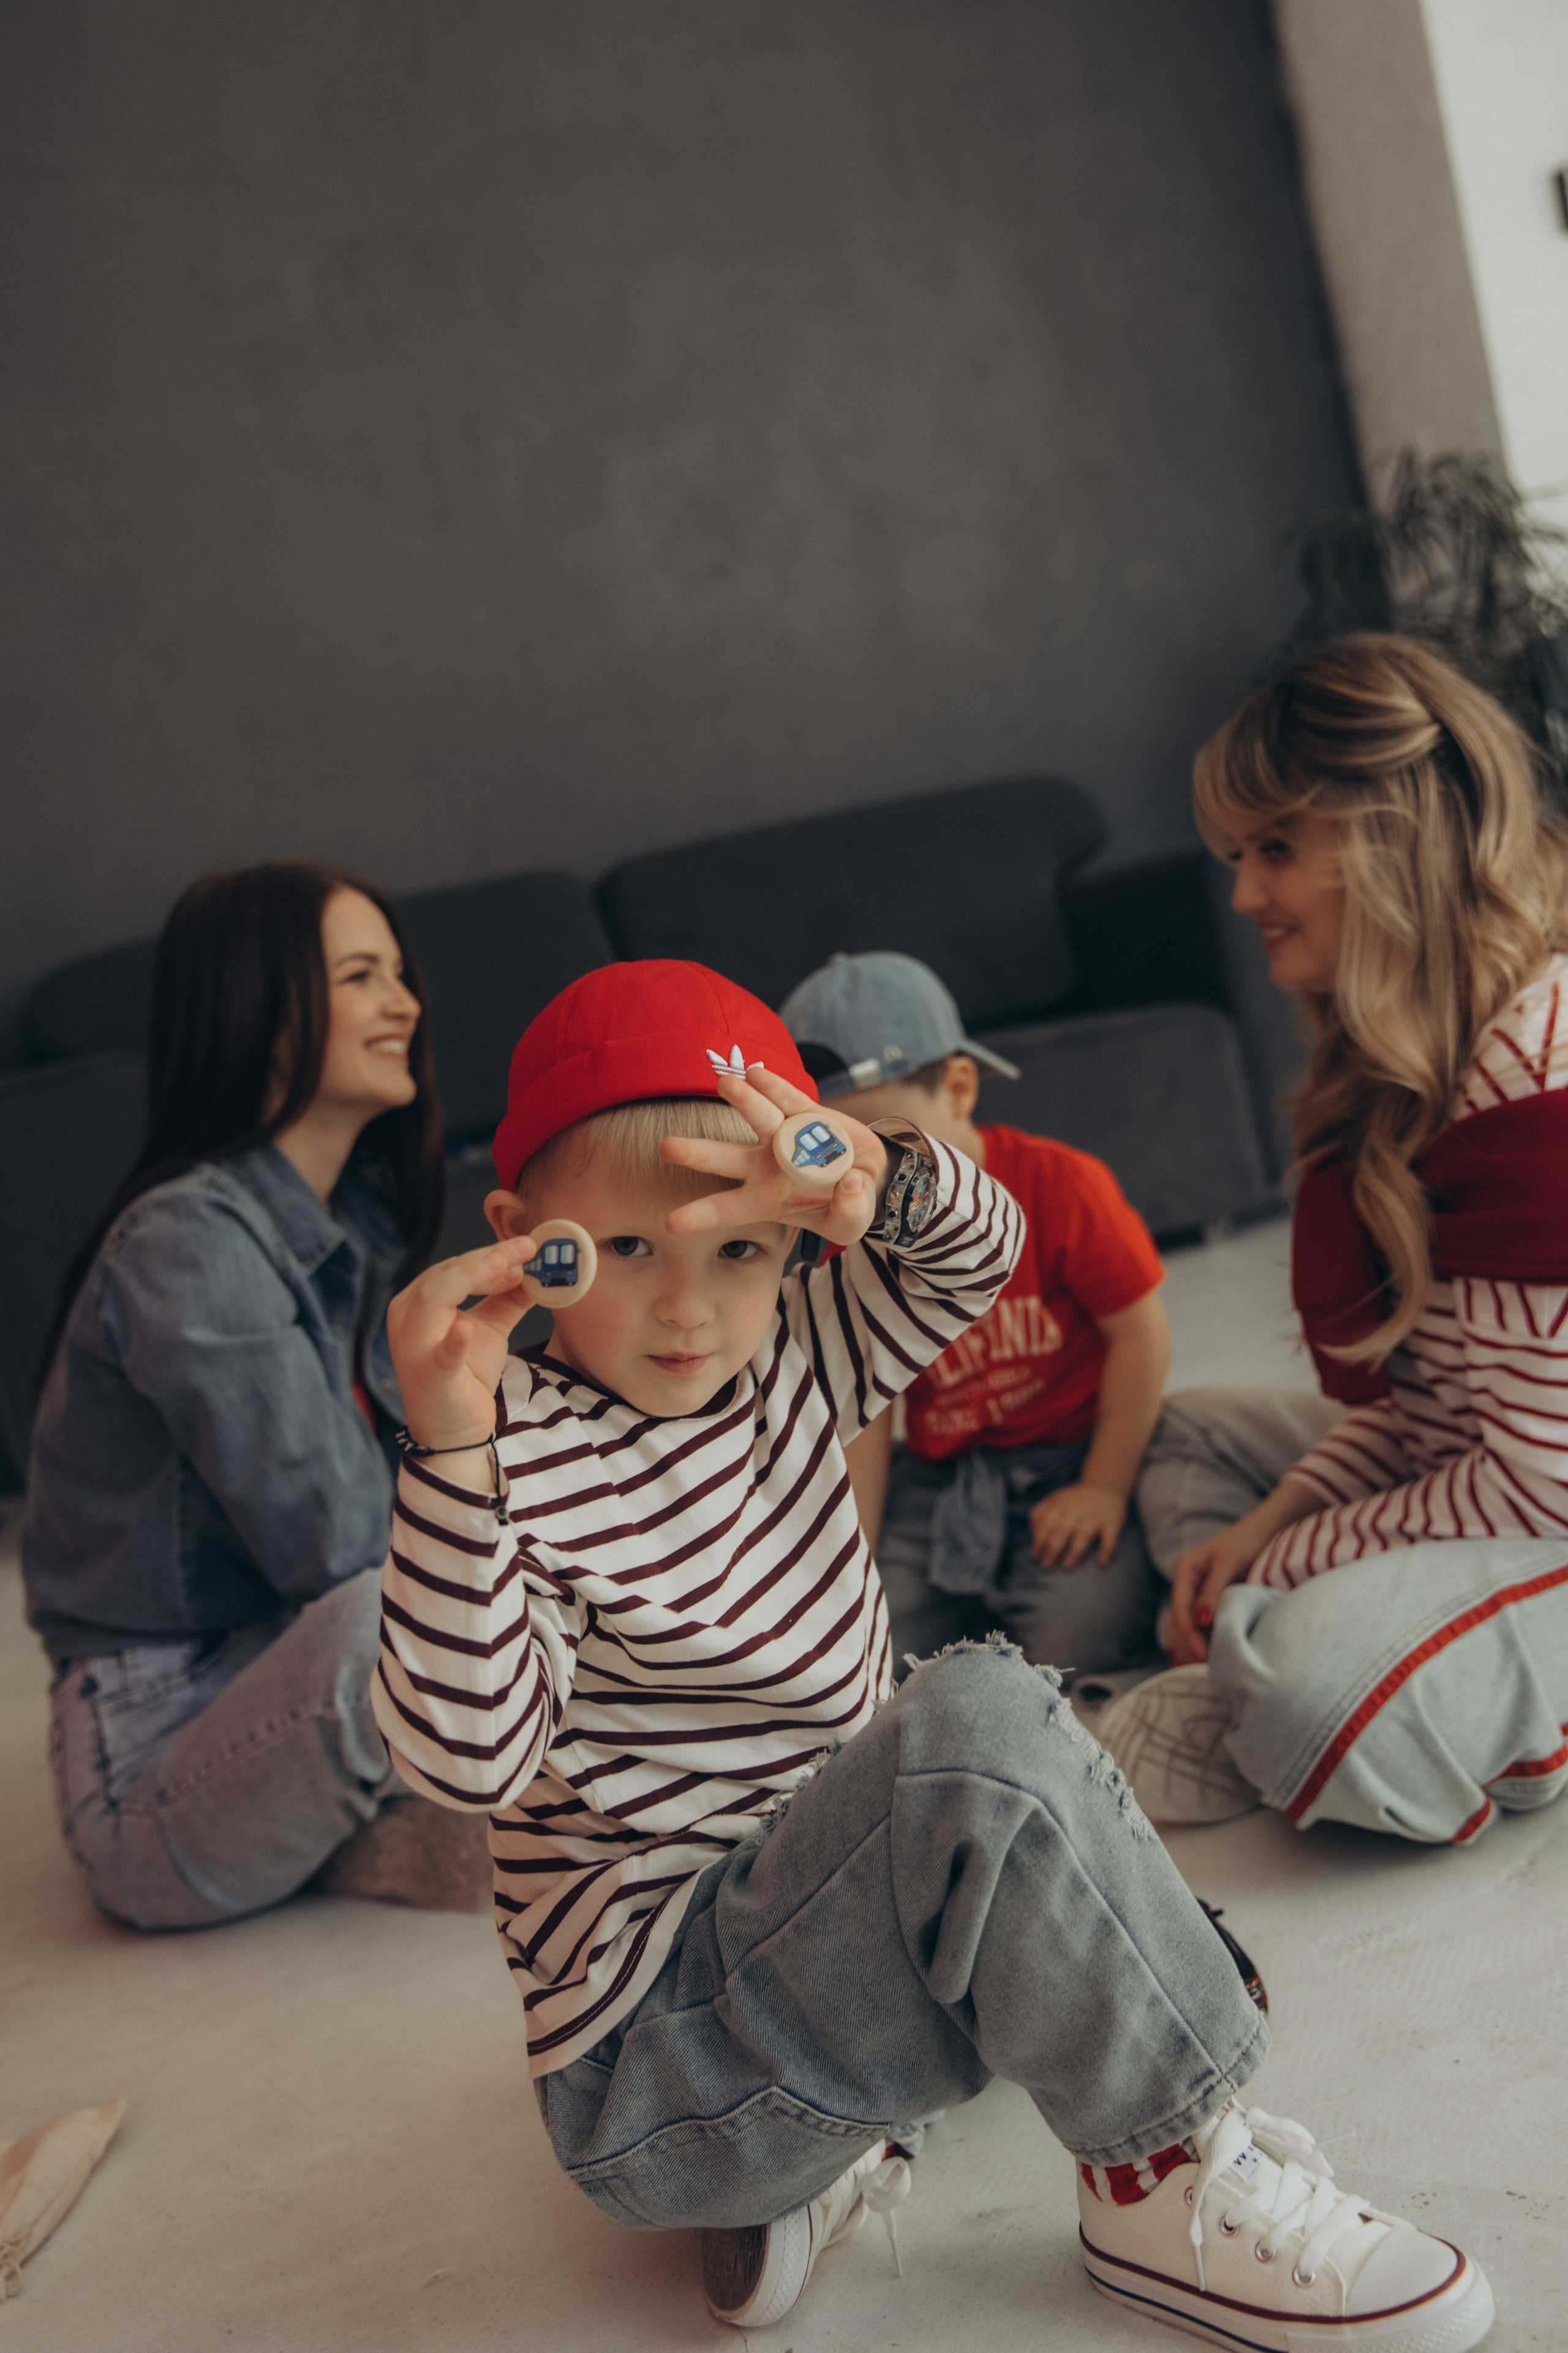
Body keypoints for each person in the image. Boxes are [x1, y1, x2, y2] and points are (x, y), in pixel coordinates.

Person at [372, 955, 1493, 2349]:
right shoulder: (507, 1453)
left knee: (1017, 1815)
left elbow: (973, 1245)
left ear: (792, 1245)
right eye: (623, 1252)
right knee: (977, 1711)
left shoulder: (790, 1349)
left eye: (736, 1246)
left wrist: (865, 1172)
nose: (687, 1309)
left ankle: (835, 2150)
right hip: (659, 2076)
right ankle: (1156, 2166)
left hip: (812, 1978)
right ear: (517, 1236)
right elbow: (464, 1751)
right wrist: (447, 1452)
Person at [1101, 635, 1568, 1846]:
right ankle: (1251, 1649)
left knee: (1316, 1699)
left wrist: (1294, 1554)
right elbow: (1430, 1412)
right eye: (1233, 857)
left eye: (1272, 850)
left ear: (1388, 836)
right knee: (1190, 1427)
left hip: (1550, 1496)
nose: (1243, 896)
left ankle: (1285, 1681)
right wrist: (1267, 1530)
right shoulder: (1406, 1064)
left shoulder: (1533, 1075)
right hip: (1493, 1458)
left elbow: (1536, 1483)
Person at [24, 859, 473, 1930]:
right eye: (362, 975)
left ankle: (404, 1816)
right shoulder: (188, 1244)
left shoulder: (351, 1222)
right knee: (409, 1608)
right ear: (264, 1014)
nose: (405, 1002)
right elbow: (349, 1551)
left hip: (282, 1674)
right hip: (153, 1765)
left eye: (398, 972)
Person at [780, 951, 1168, 1679]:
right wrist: (853, 1565)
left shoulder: (1060, 1183)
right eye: (829, 1149)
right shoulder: (851, 1233)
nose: (856, 1180)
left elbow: (1140, 1336)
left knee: (1076, 1640)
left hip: (1071, 1459)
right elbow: (868, 1418)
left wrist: (1105, 1487)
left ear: (959, 1088)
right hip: (944, 1481)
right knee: (864, 1647)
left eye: (878, 1143)